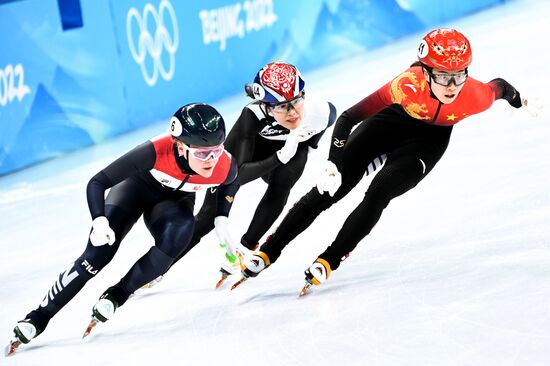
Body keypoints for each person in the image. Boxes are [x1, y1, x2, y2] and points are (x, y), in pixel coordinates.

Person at [235, 28, 525, 295]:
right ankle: (269, 250)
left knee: (380, 191)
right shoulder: (405, 85)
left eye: (459, 75)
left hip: (427, 143)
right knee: (328, 190)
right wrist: (333, 163)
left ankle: (331, 258)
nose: (452, 86)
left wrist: (517, 99)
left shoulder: (474, 96)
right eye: (442, 75)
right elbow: (348, 117)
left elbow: (499, 87)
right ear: (424, 72)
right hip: (389, 124)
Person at [8, 103, 239, 354]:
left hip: (173, 202)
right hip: (135, 190)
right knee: (97, 255)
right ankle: (38, 317)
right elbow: (97, 182)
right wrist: (99, 220)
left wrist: (221, 219)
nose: (212, 160)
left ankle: (118, 295)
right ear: (181, 146)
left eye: (216, 150)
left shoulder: (224, 165)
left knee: (180, 236)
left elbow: (230, 183)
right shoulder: (154, 151)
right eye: (203, 154)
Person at [161, 62, 338, 288]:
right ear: (266, 106)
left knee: (282, 183)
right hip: (256, 153)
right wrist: (278, 158)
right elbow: (234, 178)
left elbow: (326, 125)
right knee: (208, 216)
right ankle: (162, 265)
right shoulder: (251, 116)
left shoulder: (321, 112)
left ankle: (247, 247)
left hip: (293, 150)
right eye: (283, 107)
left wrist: (307, 146)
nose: (293, 113)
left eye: (296, 102)